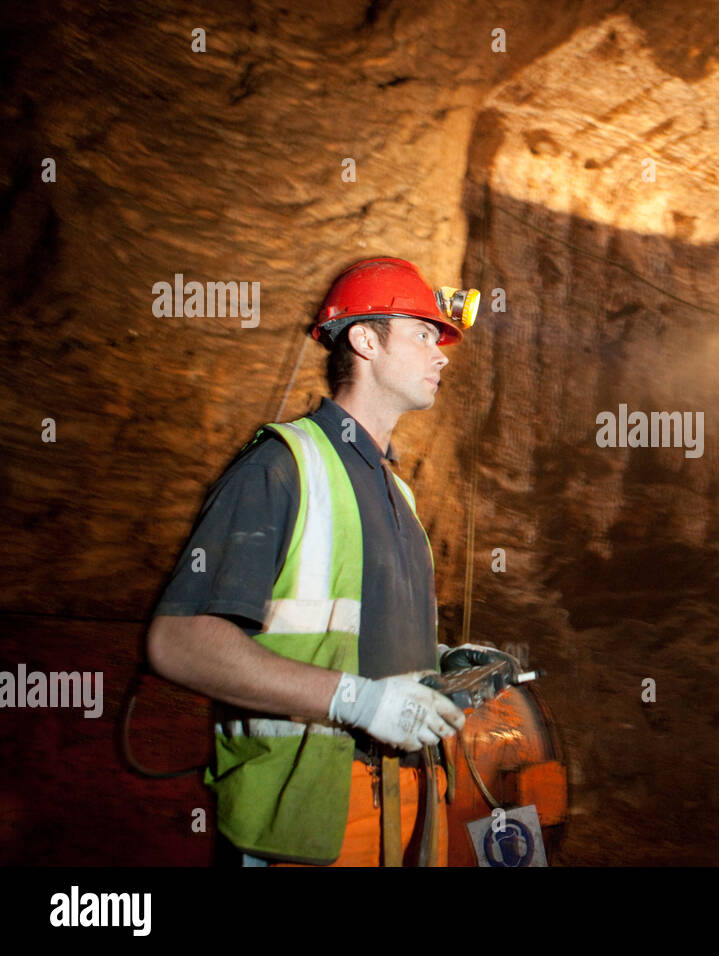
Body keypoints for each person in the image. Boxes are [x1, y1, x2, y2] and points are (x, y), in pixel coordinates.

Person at [147, 257, 510, 866]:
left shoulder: (398, 493)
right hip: (309, 821)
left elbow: (344, 639)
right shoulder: (282, 467)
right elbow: (178, 641)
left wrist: (441, 664)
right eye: (424, 333)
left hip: (409, 817)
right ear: (365, 339)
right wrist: (360, 703)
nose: (441, 353)